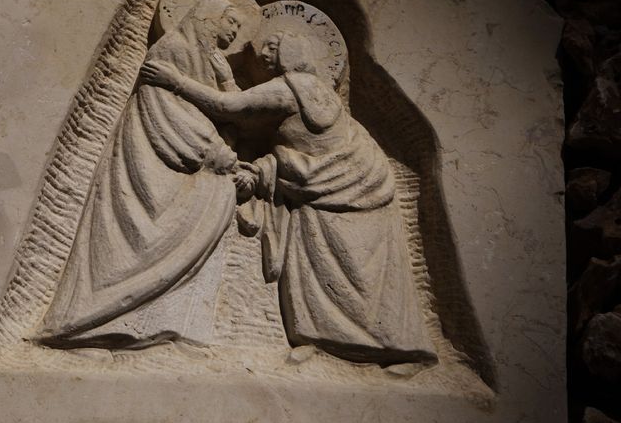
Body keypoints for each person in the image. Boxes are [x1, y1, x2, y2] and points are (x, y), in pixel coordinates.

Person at [139, 31, 436, 365]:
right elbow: (259, 121)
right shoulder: (314, 88)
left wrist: (176, 81)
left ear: (290, 53)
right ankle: (325, 339)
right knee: (319, 260)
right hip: (341, 179)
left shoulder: (289, 87)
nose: (264, 54)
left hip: (338, 181)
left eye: (272, 47)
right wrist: (228, 80)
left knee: (361, 270)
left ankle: (400, 350)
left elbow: (229, 108)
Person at [35, 0, 251, 347]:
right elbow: (163, 109)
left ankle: (166, 326)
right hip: (153, 163)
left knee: (214, 204)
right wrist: (211, 150)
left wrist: (226, 84)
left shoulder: (212, 62)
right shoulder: (172, 49)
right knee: (127, 246)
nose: (236, 32)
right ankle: (91, 326)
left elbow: (234, 113)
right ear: (210, 18)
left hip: (194, 164)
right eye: (232, 22)